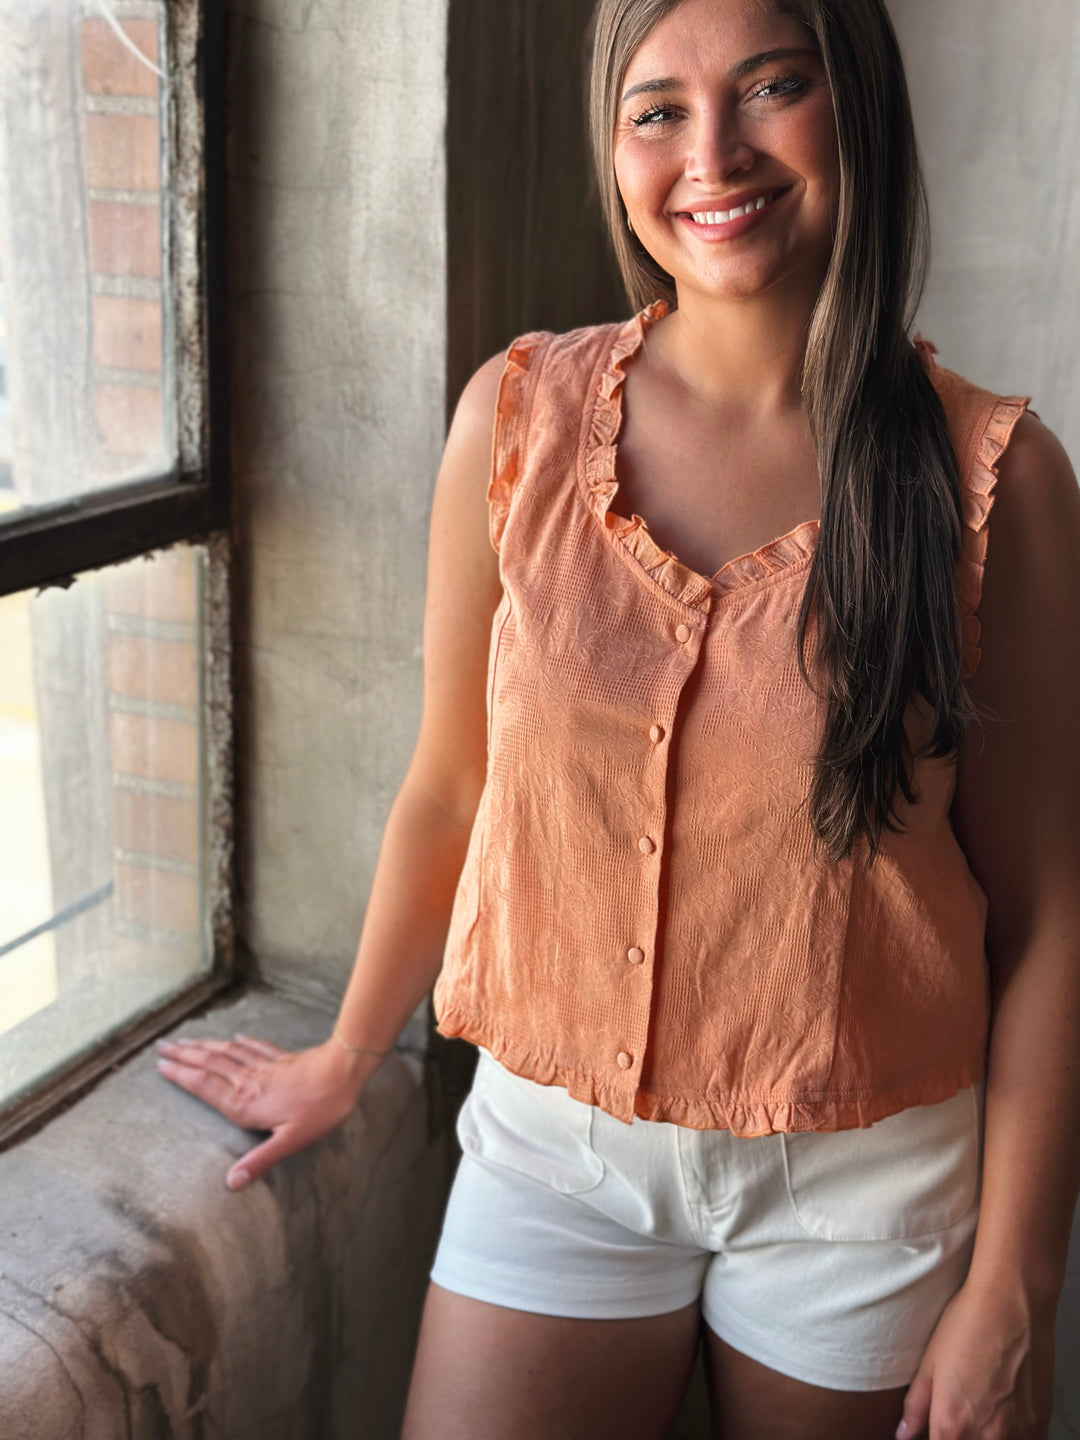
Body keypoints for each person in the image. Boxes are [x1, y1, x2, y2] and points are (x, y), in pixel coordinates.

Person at [155, 0, 1080, 1435]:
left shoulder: (994, 483)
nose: (712, 152)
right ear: (615, 143)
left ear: (859, 110)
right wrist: (348, 1052)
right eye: (658, 109)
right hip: (555, 1153)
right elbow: (452, 787)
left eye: (772, 87)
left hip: (867, 1186)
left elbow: (1049, 911)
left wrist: (1016, 1284)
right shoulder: (515, 420)